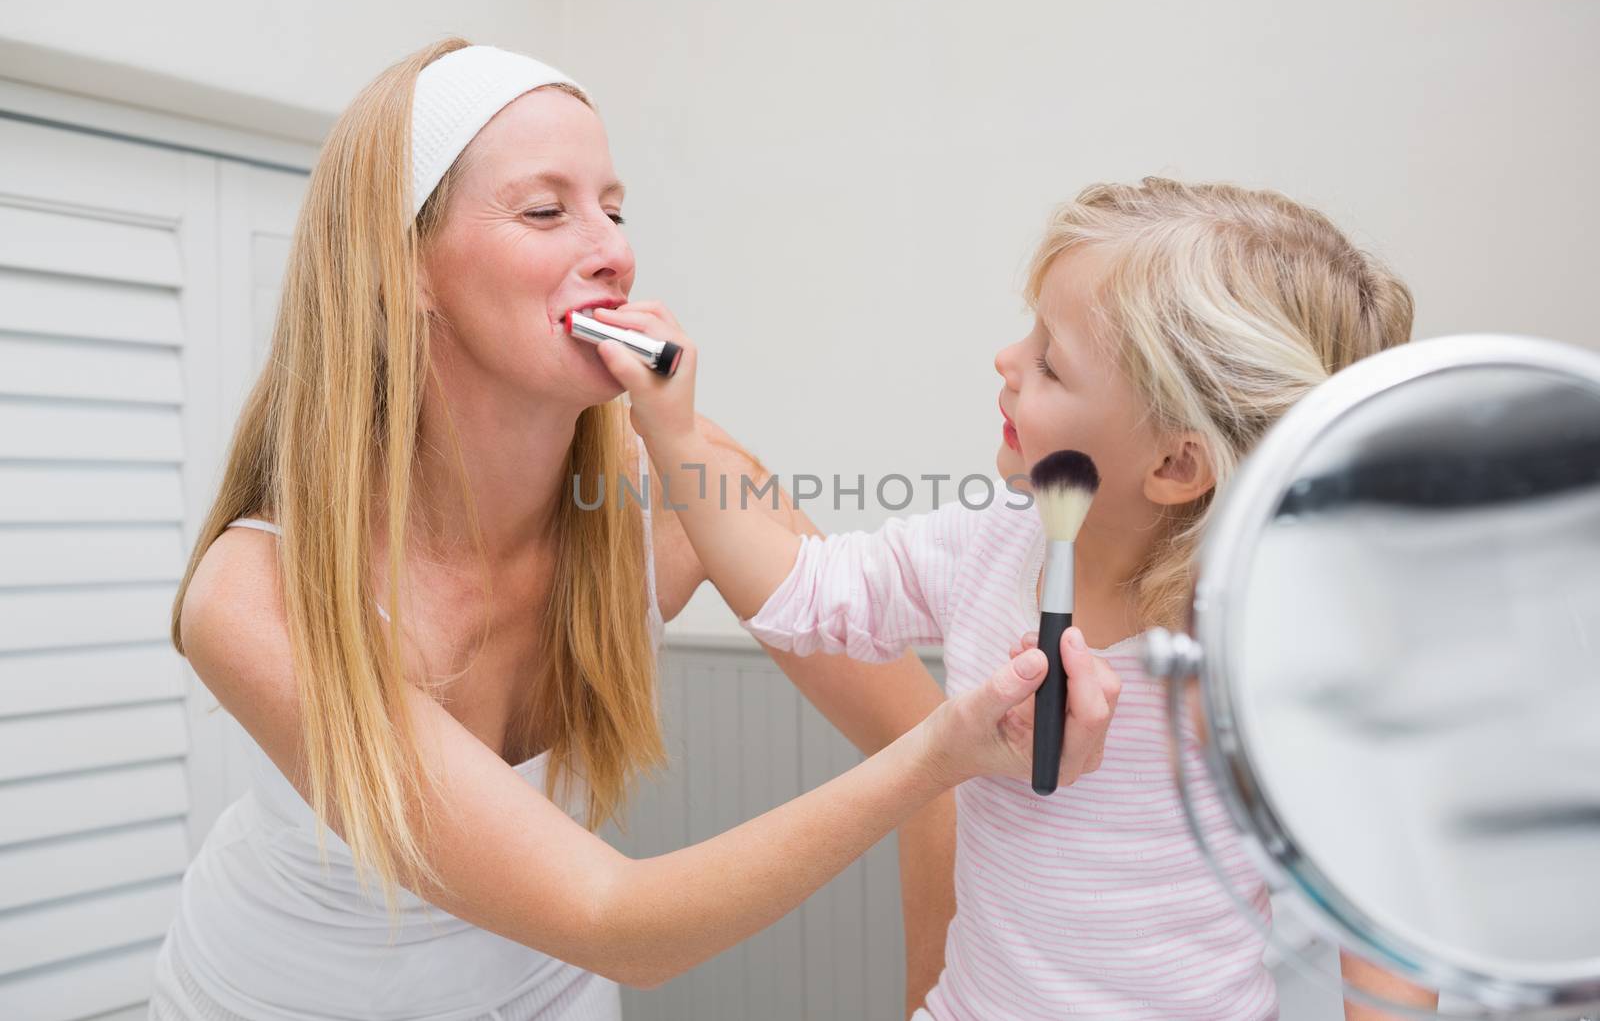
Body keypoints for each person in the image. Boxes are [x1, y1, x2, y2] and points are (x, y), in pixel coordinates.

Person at [146, 39, 1121, 1020]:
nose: (612, 248)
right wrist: (938, 753)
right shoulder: (251, 595)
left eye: (613, 208)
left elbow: (945, 772)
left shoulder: (684, 494)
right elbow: (613, 915)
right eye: (545, 209)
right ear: (406, 271)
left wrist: (930, 1002)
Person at [601, 175, 1438, 1019]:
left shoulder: (1272, 655)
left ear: (1176, 465)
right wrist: (670, 433)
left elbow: (1380, 925)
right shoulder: (995, 539)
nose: (1006, 362)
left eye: (1050, 361)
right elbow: (804, 589)